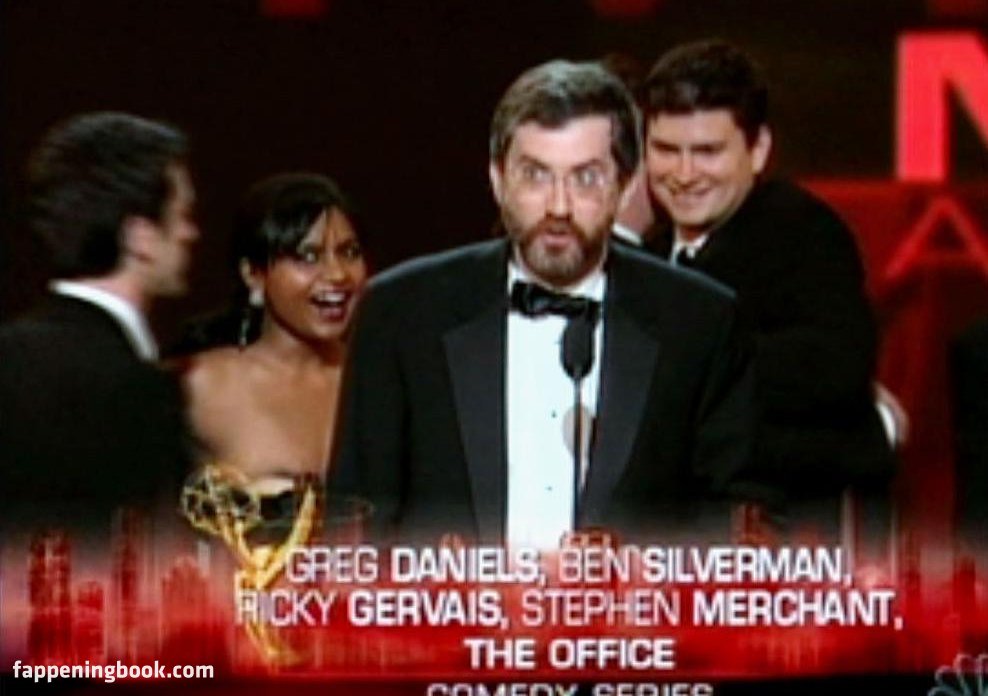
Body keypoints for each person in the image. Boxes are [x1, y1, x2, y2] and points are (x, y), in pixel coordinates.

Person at [330, 60, 759, 548]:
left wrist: (641, 573)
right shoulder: (402, 313)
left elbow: (736, 525)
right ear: (497, 179)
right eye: (535, 175)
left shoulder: (699, 322)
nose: (558, 206)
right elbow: (355, 525)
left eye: (586, 178)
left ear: (625, 186)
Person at [641, 40, 895, 536]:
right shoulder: (647, 256)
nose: (684, 174)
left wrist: (677, 371)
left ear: (757, 150)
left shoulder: (802, 234)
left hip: (785, 536)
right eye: (667, 150)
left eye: (707, 152)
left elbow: (834, 368)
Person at [0, 111, 198, 537]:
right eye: (183, 215)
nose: (191, 233)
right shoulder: (142, 391)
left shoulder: (10, 355)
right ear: (141, 237)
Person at [181, 173, 367, 492]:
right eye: (308, 256)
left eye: (349, 252)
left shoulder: (381, 380)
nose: (337, 274)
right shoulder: (199, 385)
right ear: (253, 274)